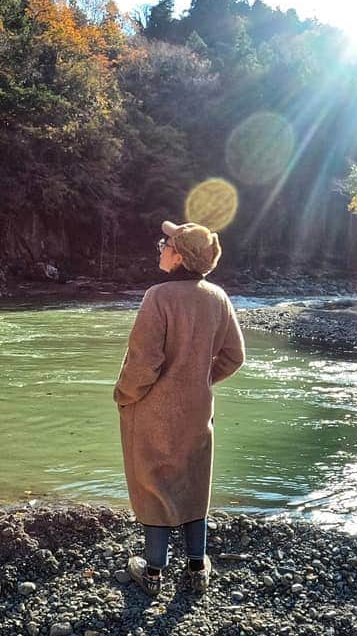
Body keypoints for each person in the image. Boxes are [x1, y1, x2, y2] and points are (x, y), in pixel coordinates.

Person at [113, 220, 246, 597]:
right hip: (196, 409)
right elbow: (235, 357)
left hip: (153, 409)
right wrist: (200, 382)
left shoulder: (158, 297)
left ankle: (153, 572)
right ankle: (196, 569)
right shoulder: (218, 297)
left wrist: (123, 394)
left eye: (165, 244)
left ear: (180, 255)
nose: (161, 248)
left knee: (154, 483)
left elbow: (143, 364)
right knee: (193, 480)